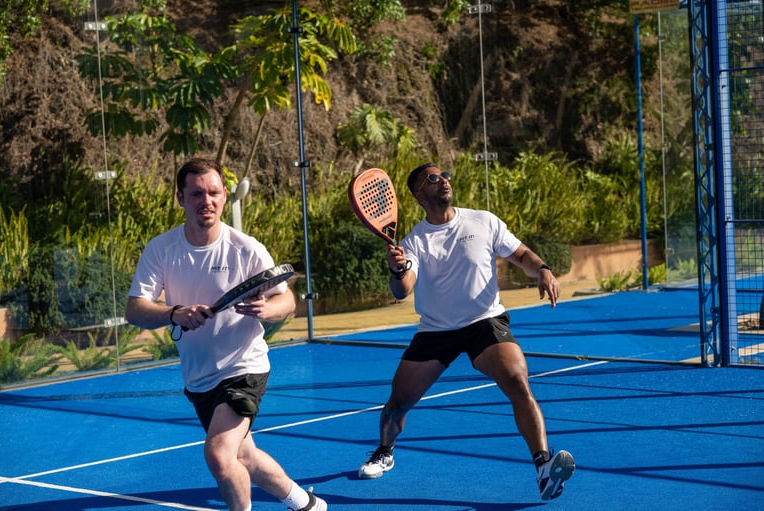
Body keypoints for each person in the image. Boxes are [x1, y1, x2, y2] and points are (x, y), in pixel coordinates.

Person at [357, 162, 575, 500]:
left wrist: (543, 269)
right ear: (419, 195)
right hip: (436, 330)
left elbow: (521, 255)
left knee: (518, 382)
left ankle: (544, 468)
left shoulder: (483, 221)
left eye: (445, 175)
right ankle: (385, 449)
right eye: (433, 178)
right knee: (398, 403)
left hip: (485, 323)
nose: (443, 181)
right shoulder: (414, 241)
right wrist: (398, 270)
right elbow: (403, 290)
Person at [125, 158, 327, 511]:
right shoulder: (161, 249)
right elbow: (135, 310)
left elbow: (287, 299)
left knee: (219, 455)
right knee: (243, 455)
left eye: (215, 193)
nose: (207, 201)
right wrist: (174, 313)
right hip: (199, 376)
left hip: (244, 367)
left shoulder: (245, 248)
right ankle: (307, 504)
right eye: (197, 193)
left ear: (224, 196)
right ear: (180, 198)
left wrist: (268, 309)